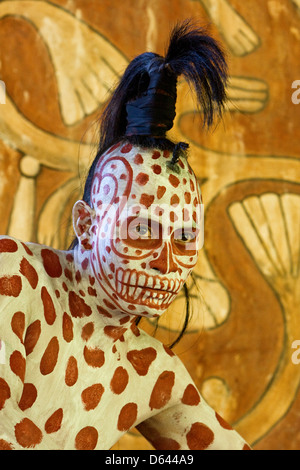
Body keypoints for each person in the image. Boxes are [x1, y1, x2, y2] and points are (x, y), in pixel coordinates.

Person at [0, 20, 250, 450]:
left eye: (186, 237)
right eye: (141, 230)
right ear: (86, 224)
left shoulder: (151, 372)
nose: (166, 262)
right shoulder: (13, 278)